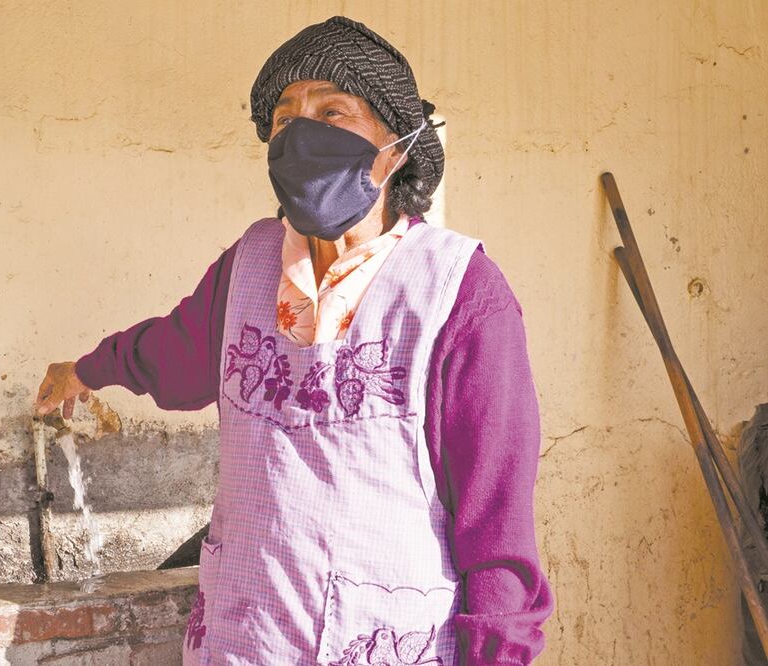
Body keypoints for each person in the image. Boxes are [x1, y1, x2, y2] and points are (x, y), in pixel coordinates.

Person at [35, 15, 553, 666]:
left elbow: (496, 527)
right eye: (284, 118)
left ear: (394, 146)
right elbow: (176, 358)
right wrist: (85, 371)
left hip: (386, 643)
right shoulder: (249, 264)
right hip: (241, 642)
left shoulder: (458, 292)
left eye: (332, 111)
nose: (300, 133)